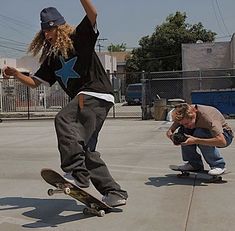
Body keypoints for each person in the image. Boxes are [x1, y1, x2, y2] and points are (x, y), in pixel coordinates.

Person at [3, 0, 128, 207]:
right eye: (44, 32)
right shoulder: (52, 59)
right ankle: (114, 192)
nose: (48, 35)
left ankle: (76, 173)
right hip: (90, 100)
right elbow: (35, 82)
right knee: (85, 149)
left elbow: (93, 15)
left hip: (93, 93)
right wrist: (16, 73)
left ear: (60, 27)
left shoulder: (79, 38)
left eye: (51, 29)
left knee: (63, 119)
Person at [166, 103, 234, 175]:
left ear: (193, 116)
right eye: (182, 124)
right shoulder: (183, 114)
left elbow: (222, 142)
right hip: (203, 132)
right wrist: (173, 137)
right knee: (182, 132)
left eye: (186, 123)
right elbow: (169, 132)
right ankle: (194, 164)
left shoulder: (207, 118)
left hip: (225, 135)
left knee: (200, 133)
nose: (185, 126)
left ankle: (218, 165)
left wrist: (195, 140)